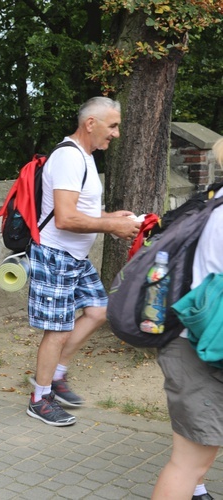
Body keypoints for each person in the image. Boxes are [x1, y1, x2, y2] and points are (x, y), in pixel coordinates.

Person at [26, 97, 140, 426]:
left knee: (99, 310)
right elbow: (64, 218)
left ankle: (56, 376)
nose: (116, 134)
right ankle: (39, 398)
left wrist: (109, 217)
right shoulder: (68, 158)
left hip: (74, 256)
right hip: (55, 254)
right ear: (91, 123)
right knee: (57, 330)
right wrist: (111, 226)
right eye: (113, 125)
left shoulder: (86, 157)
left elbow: (81, 212)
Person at [151, 139, 223, 500]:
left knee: (196, 460)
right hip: (199, 350)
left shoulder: (215, 204)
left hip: (199, 344)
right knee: (188, 464)